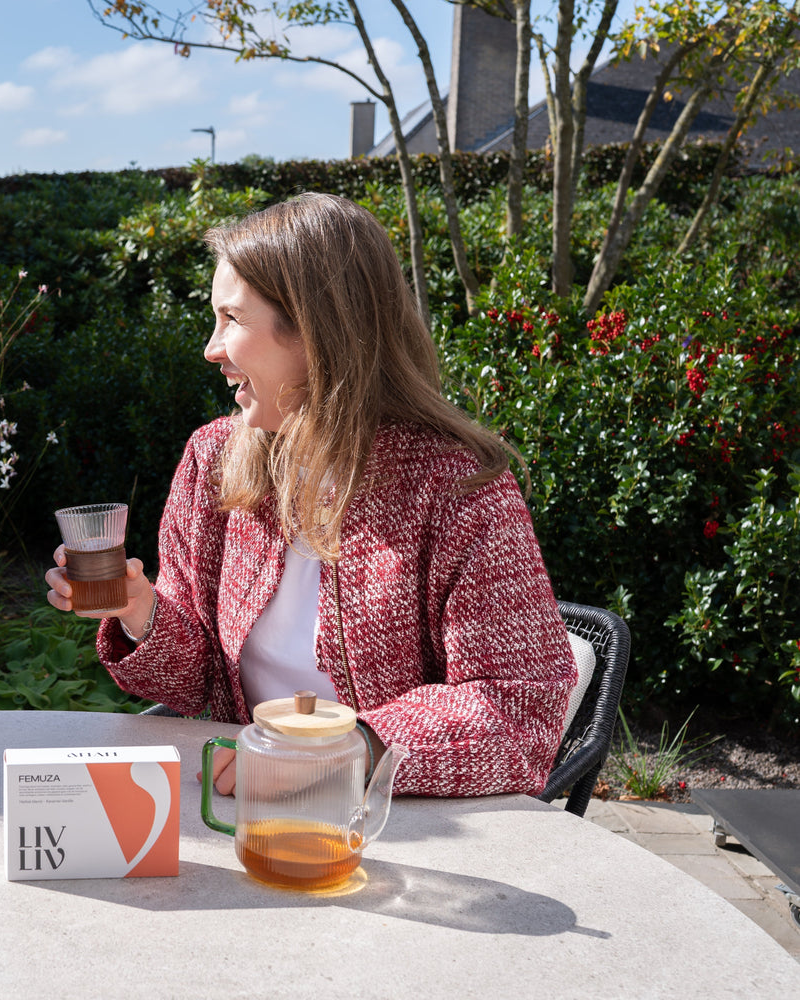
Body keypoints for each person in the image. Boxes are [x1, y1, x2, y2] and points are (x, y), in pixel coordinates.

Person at [45, 194, 575, 798]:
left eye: (232, 320)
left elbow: (518, 709)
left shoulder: (458, 486)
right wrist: (139, 610)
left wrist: (332, 752)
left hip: (400, 836)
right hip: (248, 816)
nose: (211, 349)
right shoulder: (214, 458)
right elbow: (199, 683)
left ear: (315, 331)